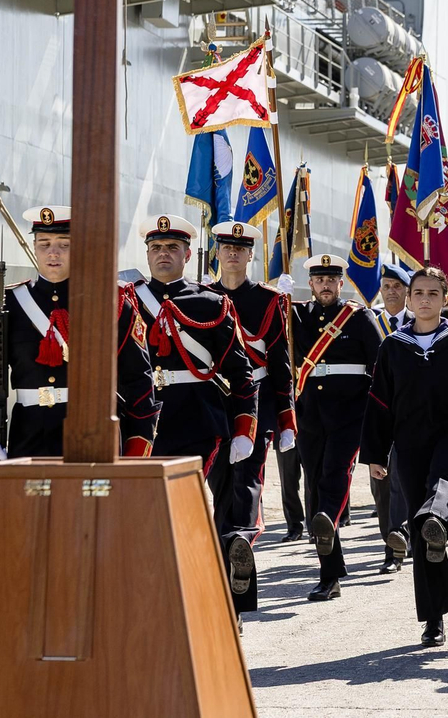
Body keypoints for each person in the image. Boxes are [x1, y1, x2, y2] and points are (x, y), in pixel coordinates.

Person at [361, 266, 448, 646]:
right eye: (418, 293)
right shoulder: (394, 346)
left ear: (445, 300)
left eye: (432, 294)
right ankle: (434, 619)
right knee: (423, 531)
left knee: (439, 489)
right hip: (409, 444)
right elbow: (379, 404)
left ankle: (437, 515)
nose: (424, 299)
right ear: (408, 299)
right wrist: (375, 453)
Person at [130, 214, 260, 616]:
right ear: (147, 254)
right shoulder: (127, 301)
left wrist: (245, 428)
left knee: (203, 507)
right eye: (156, 248)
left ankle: (229, 605)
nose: (163, 254)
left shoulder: (212, 303)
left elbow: (241, 372)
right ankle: (164, 599)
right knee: (152, 515)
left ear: (188, 255)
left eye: (172, 248)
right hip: (143, 422)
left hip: (199, 421)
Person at [0, 205, 159, 460]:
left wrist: (136, 448)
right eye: (44, 243)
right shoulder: (10, 304)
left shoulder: (110, 302)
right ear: (34, 247)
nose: (53, 252)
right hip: (29, 435)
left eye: (63, 244)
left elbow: (139, 382)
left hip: (93, 434)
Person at [290, 253, 386, 600]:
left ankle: (328, 516)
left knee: (334, 474)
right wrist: (278, 297)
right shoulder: (296, 315)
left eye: (332, 280)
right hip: (310, 413)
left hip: (350, 413)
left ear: (340, 283)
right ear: (311, 283)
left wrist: (379, 417)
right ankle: (330, 575)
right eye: (319, 280)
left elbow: (380, 367)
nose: (326, 285)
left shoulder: (360, 318)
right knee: (315, 483)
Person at [206, 222, 300, 543]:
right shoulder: (204, 297)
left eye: (240, 249)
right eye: (227, 248)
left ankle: (242, 537)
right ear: (217, 252)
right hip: (216, 403)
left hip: (258, 401)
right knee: (219, 481)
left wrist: (287, 421)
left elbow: (280, 363)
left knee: (247, 477)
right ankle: (226, 544)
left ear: (250, 257)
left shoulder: (267, 300)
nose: (233, 253)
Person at [371, 262, 414, 572]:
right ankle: (393, 540)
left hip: (412, 415)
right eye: (386, 286)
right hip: (377, 415)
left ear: (407, 291)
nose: (390, 291)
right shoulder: (370, 322)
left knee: (403, 480)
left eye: (397, 286)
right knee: (381, 487)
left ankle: (397, 546)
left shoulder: (420, 322)